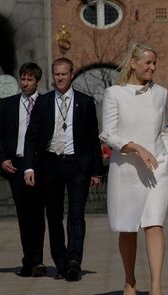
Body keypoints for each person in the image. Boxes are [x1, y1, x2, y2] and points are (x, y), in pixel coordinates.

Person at [100, 42, 168, 295]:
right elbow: (108, 133)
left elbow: (163, 132)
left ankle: (156, 288)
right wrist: (136, 147)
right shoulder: (114, 93)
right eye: (147, 62)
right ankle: (130, 282)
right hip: (127, 168)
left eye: (154, 63)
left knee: (155, 224)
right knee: (128, 227)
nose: (152, 67)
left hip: (157, 165)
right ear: (133, 63)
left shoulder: (161, 93)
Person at [24, 57, 103, 281]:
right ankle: (60, 262)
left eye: (63, 74)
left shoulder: (86, 102)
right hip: (50, 164)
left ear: (71, 75)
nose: (59, 78)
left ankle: (74, 261)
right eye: (56, 74)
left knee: (76, 215)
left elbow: (92, 139)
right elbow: (32, 136)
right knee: (55, 216)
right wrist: (29, 167)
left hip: (77, 164)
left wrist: (96, 171)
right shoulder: (43, 102)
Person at [0, 62, 46, 277]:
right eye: (23, 79)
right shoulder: (8, 104)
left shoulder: (45, 103)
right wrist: (2, 159)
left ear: (37, 81)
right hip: (15, 165)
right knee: (23, 214)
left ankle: (37, 259)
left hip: (38, 165)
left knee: (37, 213)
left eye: (30, 80)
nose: (25, 83)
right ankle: (29, 259)